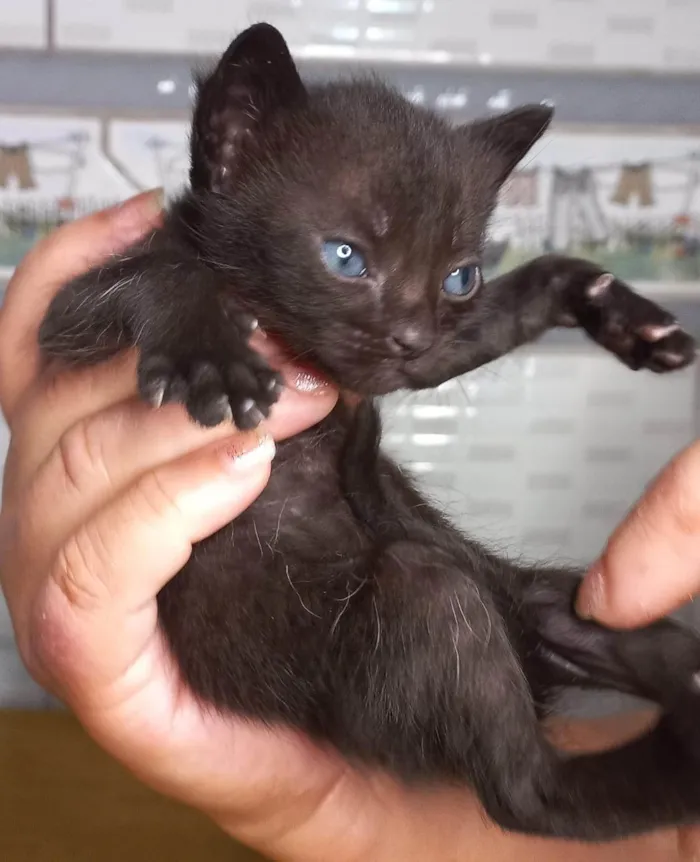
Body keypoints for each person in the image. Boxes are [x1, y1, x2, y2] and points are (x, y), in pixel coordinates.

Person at [0, 191, 698, 861]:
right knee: (441, 595)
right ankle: (535, 789)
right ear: (235, 152)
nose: (415, 328)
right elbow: (70, 323)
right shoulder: (194, 261)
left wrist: (563, 289)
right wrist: (178, 313)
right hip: (326, 622)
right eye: (346, 256)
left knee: (552, 608)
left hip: (384, 596)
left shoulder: (344, 315)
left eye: (454, 276)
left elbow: (433, 348)